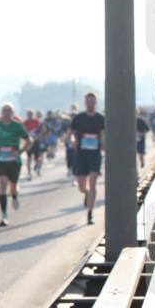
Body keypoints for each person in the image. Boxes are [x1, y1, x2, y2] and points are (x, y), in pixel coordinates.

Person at [0, 103, 31, 227]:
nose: (6, 113)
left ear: (12, 113)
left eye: (9, 111)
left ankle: (15, 195)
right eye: (4, 111)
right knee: (2, 183)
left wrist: (20, 151)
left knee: (13, 186)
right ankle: (4, 215)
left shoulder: (17, 126)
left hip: (14, 161)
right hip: (1, 160)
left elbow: (29, 141)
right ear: (1, 113)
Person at [69, 92, 105, 225]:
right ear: (85, 103)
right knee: (81, 186)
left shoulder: (101, 118)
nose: (90, 104)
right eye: (88, 101)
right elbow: (71, 133)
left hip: (95, 154)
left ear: (96, 103)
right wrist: (73, 141)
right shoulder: (79, 118)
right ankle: (86, 193)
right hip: (81, 153)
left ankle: (90, 213)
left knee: (93, 181)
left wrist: (104, 143)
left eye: (92, 101)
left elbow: (106, 133)